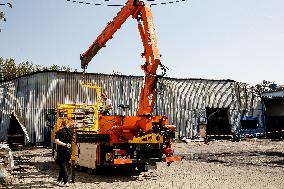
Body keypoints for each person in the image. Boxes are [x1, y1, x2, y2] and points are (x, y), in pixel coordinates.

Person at [54, 120, 72, 187]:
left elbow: (56, 141)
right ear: (68, 125)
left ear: (62, 124)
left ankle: (66, 181)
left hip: (62, 151)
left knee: (63, 166)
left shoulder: (59, 132)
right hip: (69, 151)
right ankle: (59, 180)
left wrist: (64, 144)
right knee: (64, 165)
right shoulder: (71, 131)